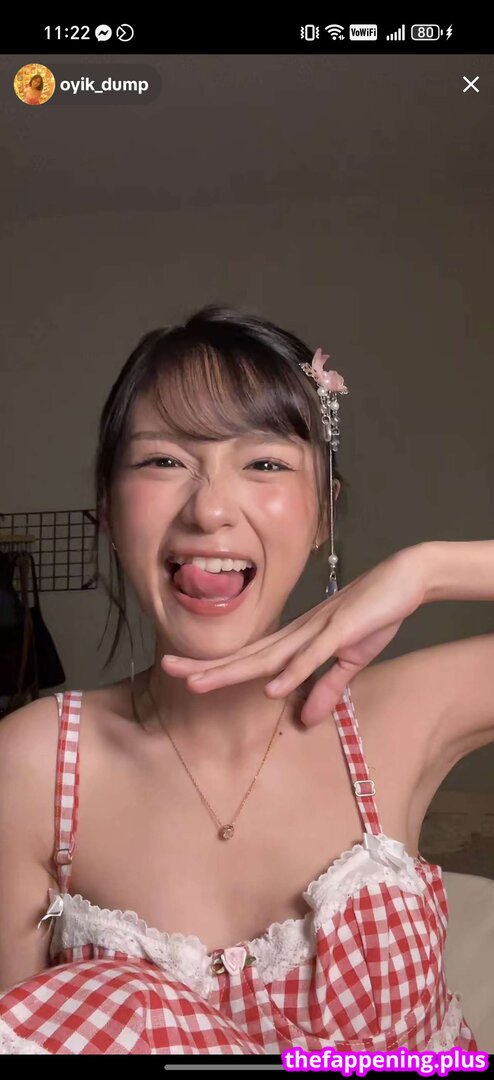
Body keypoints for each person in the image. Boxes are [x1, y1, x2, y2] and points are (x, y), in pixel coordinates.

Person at [0, 304, 492, 1055]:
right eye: (163, 461)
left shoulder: (402, 715)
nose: (210, 509)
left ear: (324, 515)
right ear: (107, 511)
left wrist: (427, 570)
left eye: (265, 463)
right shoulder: (34, 767)